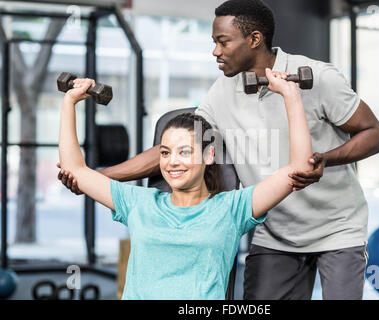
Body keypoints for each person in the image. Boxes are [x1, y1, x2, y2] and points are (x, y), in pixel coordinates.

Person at [58, 0, 379, 300]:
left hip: (336, 226)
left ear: (255, 40)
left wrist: (325, 158)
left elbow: (376, 135)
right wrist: (95, 177)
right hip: (275, 231)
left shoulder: (319, 78)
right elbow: (176, 146)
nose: (215, 51)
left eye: (223, 41)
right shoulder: (223, 90)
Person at [58, 69, 312, 299]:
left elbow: (299, 168)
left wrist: (291, 96)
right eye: (166, 153)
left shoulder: (233, 208)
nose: (172, 162)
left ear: (209, 155)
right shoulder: (138, 202)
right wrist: (70, 102)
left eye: (185, 152)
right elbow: (75, 170)